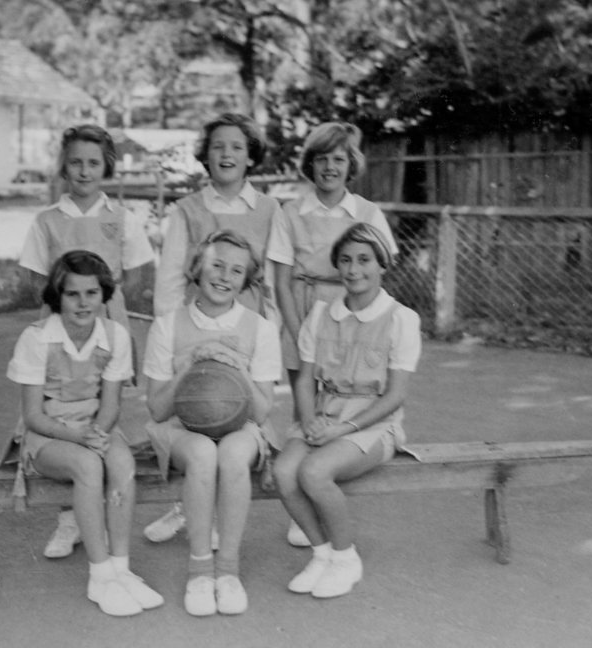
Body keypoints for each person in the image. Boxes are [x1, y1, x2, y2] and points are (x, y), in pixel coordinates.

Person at [18, 124, 156, 559]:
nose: (83, 170)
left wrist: (108, 302)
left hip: (105, 316)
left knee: (102, 407)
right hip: (62, 318)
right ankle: (68, 518)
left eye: (93, 162)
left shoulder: (122, 218)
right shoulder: (47, 220)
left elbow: (136, 272)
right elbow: (34, 275)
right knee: (60, 406)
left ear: (107, 167)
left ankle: (99, 507)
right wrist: (64, 303)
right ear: (64, 166)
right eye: (75, 161)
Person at [146, 112, 282, 544]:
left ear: (250, 157)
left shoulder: (269, 209)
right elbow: (169, 279)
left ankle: (221, 517)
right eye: (218, 146)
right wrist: (174, 330)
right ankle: (185, 506)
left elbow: (275, 278)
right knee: (196, 415)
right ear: (205, 155)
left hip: (244, 334)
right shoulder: (187, 209)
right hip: (196, 330)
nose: (227, 154)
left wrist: (271, 329)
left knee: (236, 417)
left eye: (237, 147)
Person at [4, 250, 163, 617]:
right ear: (57, 296)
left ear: (104, 294)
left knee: (122, 462)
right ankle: (99, 574)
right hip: (49, 435)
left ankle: (121, 570)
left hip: (96, 427)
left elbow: (110, 406)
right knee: (89, 467)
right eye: (72, 294)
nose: (82, 302)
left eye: (91, 293)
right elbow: (32, 416)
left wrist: (98, 432)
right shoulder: (37, 338)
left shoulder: (115, 335)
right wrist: (80, 440)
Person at [272, 223, 421, 599]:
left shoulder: (401, 319)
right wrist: (309, 422)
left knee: (315, 470)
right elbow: (305, 380)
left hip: (374, 424)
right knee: (284, 471)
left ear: (383, 263)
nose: (354, 270)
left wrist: (343, 429)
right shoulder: (321, 315)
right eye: (346, 260)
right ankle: (322, 554)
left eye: (364, 260)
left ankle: (346, 556)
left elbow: (395, 396)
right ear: (337, 266)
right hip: (323, 414)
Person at [267, 122, 398, 547]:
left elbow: (377, 270)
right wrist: (298, 327)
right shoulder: (291, 213)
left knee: (346, 402)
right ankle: (301, 505)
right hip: (303, 313)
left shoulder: (367, 212)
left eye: (338, 159)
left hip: (349, 315)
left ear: (350, 165)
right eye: (321, 159)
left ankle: (325, 488)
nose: (329, 167)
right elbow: (283, 280)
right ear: (310, 164)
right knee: (306, 409)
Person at [143, 230, 282, 616]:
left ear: (246, 280)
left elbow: (262, 411)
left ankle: (228, 571)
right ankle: (200, 570)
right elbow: (156, 409)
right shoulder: (168, 326)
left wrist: (238, 367)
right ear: (197, 268)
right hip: (181, 428)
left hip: (241, 427)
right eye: (216, 265)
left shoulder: (261, 328)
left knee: (235, 453)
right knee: (204, 453)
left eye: (236, 271)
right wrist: (190, 363)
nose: (224, 277)